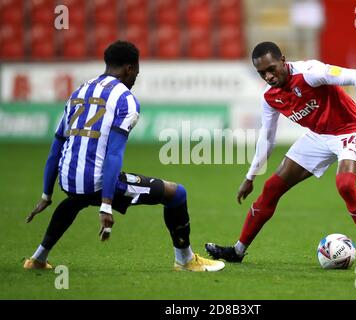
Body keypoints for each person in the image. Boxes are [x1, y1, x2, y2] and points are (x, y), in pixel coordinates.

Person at [23, 40, 224, 272]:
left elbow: (57, 144)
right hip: (98, 184)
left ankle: (38, 259)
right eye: (136, 72)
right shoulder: (125, 99)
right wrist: (106, 205)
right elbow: (114, 153)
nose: (136, 78)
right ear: (129, 68)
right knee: (177, 194)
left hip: (67, 179)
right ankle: (185, 260)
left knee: (75, 201)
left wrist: (46, 193)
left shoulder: (79, 92)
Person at [205, 41, 356, 268]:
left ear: (283, 61)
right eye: (262, 73)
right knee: (271, 188)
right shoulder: (270, 97)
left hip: (349, 129)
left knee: (345, 185)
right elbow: (267, 138)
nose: (269, 76)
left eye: (272, 69)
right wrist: (250, 176)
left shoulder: (310, 73)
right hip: (318, 136)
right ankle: (238, 250)